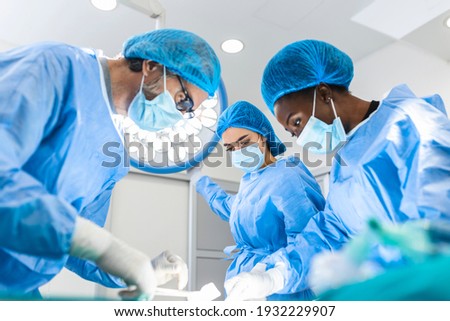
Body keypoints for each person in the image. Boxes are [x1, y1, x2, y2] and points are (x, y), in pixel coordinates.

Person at [0, 28, 221, 299]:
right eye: (182, 101)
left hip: (20, 289)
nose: (177, 116)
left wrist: (135, 267)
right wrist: (103, 247)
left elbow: (79, 244)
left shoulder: (112, 158)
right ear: (152, 66)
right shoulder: (55, 66)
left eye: (186, 112)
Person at [261, 39, 450, 252]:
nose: (300, 137)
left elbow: (440, 215)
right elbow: (332, 232)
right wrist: (275, 273)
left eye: (297, 122)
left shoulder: (410, 122)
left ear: (324, 93)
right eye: (292, 132)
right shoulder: (344, 166)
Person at [195, 101, 330, 300]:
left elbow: (311, 242)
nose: (239, 151)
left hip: (283, 289)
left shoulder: (287, 174)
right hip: (246, 288)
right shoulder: (250, 181)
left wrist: (270, 277)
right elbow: (229, 208)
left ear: (262, 135)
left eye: (244, 142)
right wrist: (199, 181)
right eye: (231, 148)